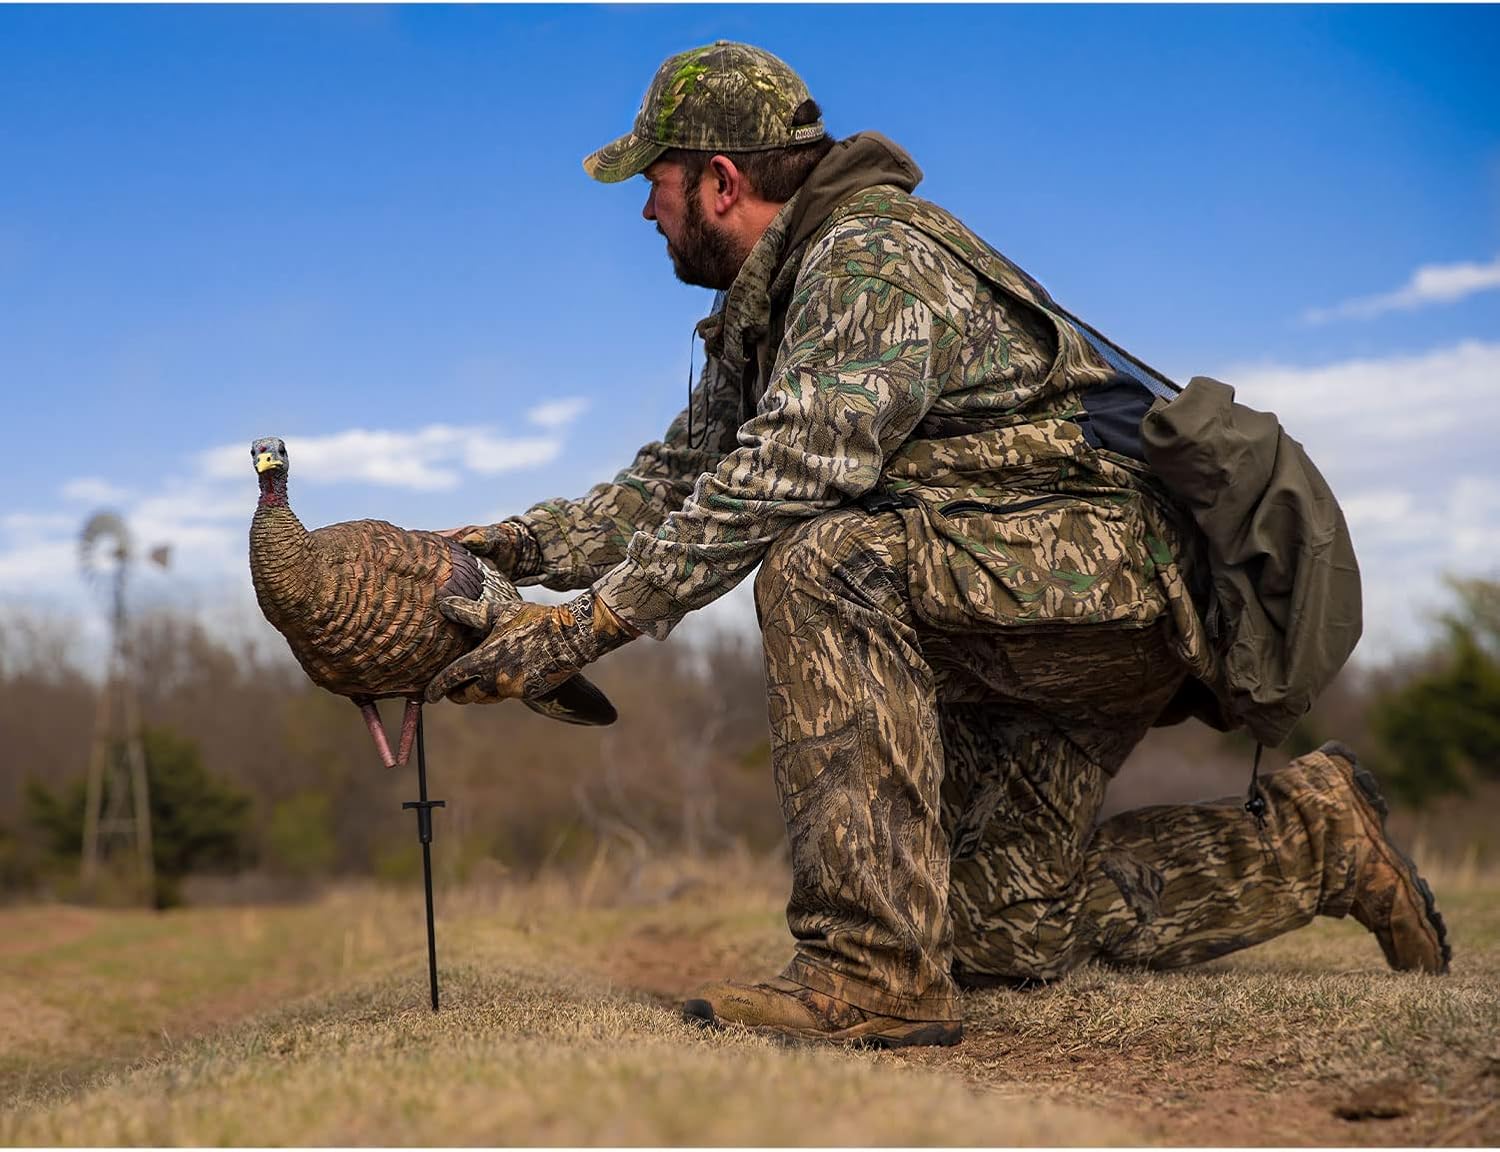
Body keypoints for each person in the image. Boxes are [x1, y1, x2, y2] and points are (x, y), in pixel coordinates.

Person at [425, 41, 1449, 1048]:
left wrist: (587, 627)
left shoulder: (870, 259)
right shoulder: (775, 310)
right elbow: (673, 478)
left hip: (1098, 582)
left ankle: (869, 975)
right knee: (1000, 926)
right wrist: (504, 550)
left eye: (655, 181)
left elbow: (784, 475)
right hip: (1009, 600)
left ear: (721, 180)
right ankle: (1315, 842)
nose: (646, 209)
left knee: (823, 561)